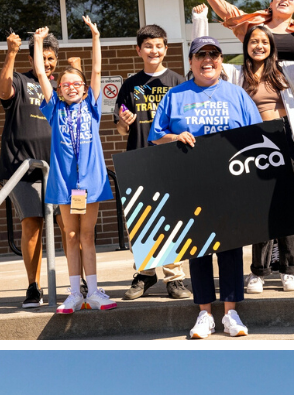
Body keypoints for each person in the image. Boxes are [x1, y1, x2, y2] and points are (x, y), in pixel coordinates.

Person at [182, 0, 294, 276]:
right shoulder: (253, 28)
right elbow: (224, 13)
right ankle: (267, 257)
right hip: (256, 93)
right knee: (262, 193)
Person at [192, 5, 294, 292]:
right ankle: (259, 271)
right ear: (246, 46)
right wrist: (200, 21)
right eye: (253, 41)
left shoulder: (287, 72)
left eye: (264, 41)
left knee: (290, 206)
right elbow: (205, 58)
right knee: (259, 208)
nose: (259, 45)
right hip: (253, 144)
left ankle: (289, 269)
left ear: (271, 46)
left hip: (288, 142)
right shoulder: (236, 74)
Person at [148, 35, 262, 338]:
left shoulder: (237, 95)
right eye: (201, 55)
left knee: (231, 249)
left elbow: (257, 135)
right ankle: (204, 315)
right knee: (197, 249)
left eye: (213, 54)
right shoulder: (175, 96)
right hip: (192, 184)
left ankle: (231, 314)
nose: (207, 60)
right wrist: (176, 138)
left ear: (221, 61)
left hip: (230, 183)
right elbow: (156, 135)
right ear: (191, 61)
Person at [32, 20, 116, 314]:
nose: (71, 88)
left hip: (89, 182)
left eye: (76, 84)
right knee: (69, 235)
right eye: (65, 84)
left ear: (83, 88)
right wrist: (40, 42)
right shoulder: (54, 107)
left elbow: (95, 71)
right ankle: (74, 293)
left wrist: (96, 35)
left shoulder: (91, 105)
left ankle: (93, 292)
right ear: (59, 88)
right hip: (65, 183)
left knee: (86, 236)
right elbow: (41, 72)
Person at [115, 24, 190, 301]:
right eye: (148, 46)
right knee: (140, 218)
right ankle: (145, 275)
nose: (153, 50)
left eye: (158, 45)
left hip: (170, 159)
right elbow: (122, 128)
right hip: (138, 157)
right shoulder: (130, 85)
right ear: (139, 50)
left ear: (166, 49)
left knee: (171, 217)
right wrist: (124, 123)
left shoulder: (178, 82)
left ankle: (175, 278)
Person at [1, 29, 60, 308]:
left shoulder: (61, 87)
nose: (46, 63)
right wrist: (10, 53)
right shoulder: (20, 80)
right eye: (42, 57)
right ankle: (34, 288)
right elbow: (3, 91)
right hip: (22, 168)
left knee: (70, 226)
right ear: (32, 56)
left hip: (57, 169)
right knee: (32, 225)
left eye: (51, 58)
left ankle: (79, 283)